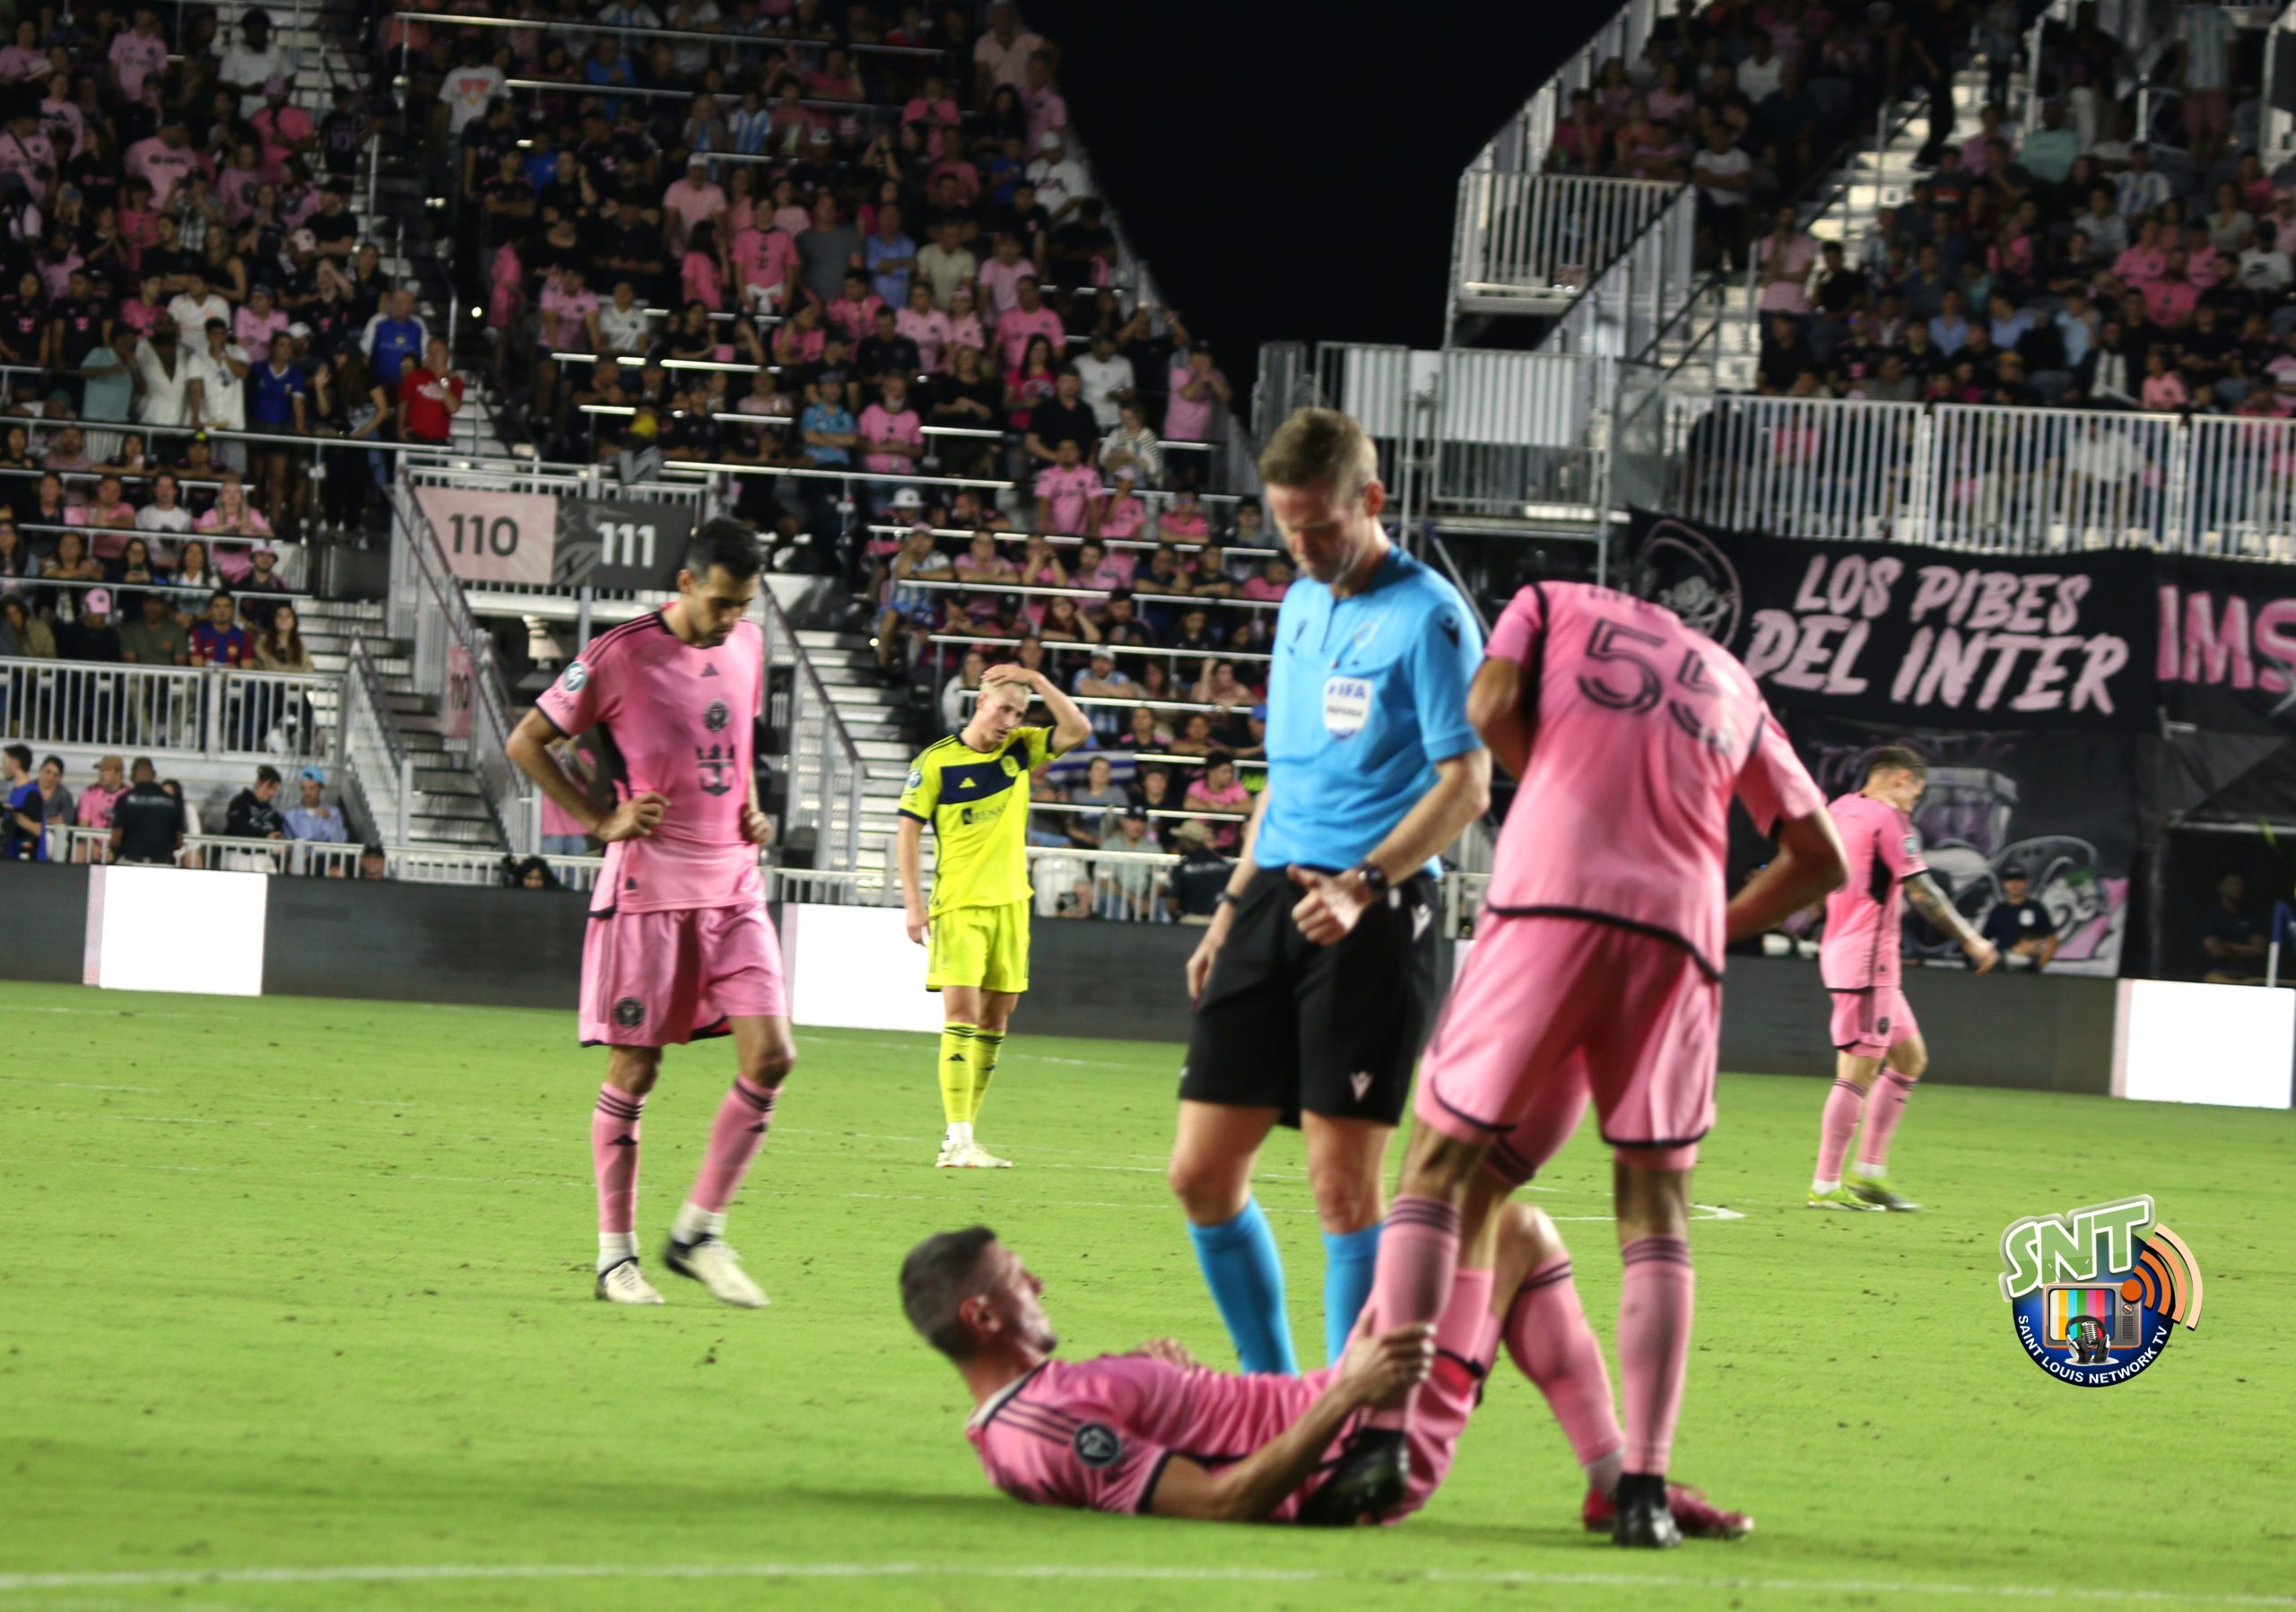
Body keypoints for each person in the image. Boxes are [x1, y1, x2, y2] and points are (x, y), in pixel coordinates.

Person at [1318, 567, 1846, 1542]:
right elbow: (1824, 859)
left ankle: (1383, 1435)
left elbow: (1486, 706)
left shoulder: (1550, 603)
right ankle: (1639, 1486)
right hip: (1673, 940)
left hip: (1549, 905)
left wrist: (1556, 778)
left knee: (1438, 1172)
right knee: (1651, 1212)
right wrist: (1708, 924)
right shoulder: (1730, 675)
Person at [1170, 408, 1489, 1382]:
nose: (1301, 545)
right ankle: (1275, 1395)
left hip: (1375, 913)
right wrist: (1230, 910)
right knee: (1200, 1174)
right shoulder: (1300, 603)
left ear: (1371, 500)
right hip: (1272, 898)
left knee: (1342, 1189)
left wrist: (1363, 885)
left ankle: (1342, 1412)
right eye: (1287, 526)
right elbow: (1286, 776)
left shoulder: (1431, 618)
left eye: (1319, 525)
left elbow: (1468, 785)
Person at [900, 1207, 1750, 1534]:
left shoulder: (1037, 1404)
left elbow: (1175, 1435)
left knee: (1514, 1226)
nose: (1038, 1281)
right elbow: (1221, 1500)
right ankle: (1617, 1483)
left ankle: (1611, 1484)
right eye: (1015, 1278)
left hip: (1339, 1404)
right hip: (1355, 1449)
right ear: (982, 1317)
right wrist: (1350, 1390)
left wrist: (1165, 1385)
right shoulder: (1044, 1431)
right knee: (1474, 1200)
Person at [507, 519, 791, 1310]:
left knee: (772, 1056)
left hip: (734, 885)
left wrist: (753, 806)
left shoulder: (749, 645)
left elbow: (735, 745)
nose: (732, 618)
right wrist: (600, 820)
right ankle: (615, 1259)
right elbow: (526, 741)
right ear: (686, 581)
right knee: (637, 1070)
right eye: (721, 602)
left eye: (745, 604)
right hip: (651, 892)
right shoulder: (619, 654)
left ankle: (698, 1232)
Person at [894, 664, 1092, 1167]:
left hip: (1012, 903)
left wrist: (1038, 680)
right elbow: (907, 832)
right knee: (961, 1014)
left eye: (1019, 713)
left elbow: (1078, 730)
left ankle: (966, 1137)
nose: (1010, 721)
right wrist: (914, 904)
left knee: (997, 1017)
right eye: (1004, 709)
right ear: (980, 702)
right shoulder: (936, 762)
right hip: (960, 904)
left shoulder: (1021, 748)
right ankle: (957, 1137)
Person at [1807, 748, 1998, 1215]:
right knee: (1857, 1073)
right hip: (1867, 961)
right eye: (1917, 791)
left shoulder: (1839, 810)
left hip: (1848, 950)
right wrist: (1971, 939)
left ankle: (1869, 1174)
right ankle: (1826, 1185)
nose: (1915, 801)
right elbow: (1922, 891)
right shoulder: (1887, 819)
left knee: (1910, 1059)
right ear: (1900, 778)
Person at [108, 755, 185, 865]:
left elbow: (116, 839)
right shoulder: (172, 801)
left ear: (133, 775)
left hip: (131, 862)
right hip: (161, 864)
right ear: (153, 774)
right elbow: (179, 840)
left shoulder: (125, 799)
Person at [1979, 865, 2057, 972]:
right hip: (2001, 967)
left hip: (2026, 966)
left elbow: (2052, 941)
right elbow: (1984, 941)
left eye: (2019, 879)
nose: (2014, 884)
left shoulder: (2036, 908)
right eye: (2010, 880)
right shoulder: (1998, 910)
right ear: (2004, 883)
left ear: (2026, 882)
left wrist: (2038, 966)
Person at [2200, 871, 2270, 982]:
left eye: (2240, 884)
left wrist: (2229, 947)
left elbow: (2259, 949)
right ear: (2221, 887)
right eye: (2234, 884)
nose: (2238, 888)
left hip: (2246, 977)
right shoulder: (2211, 915)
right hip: (2218, 977)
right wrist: (2246, 949)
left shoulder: (2250, 915)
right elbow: (2216, 951)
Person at [283, 765, 346, 845]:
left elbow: (340, 841)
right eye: (304, 788)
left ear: (321, 788)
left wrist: (329, 820)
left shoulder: (333, 813)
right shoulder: (290, 815)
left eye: (312, 788)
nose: (307, 793)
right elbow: (286, 843)